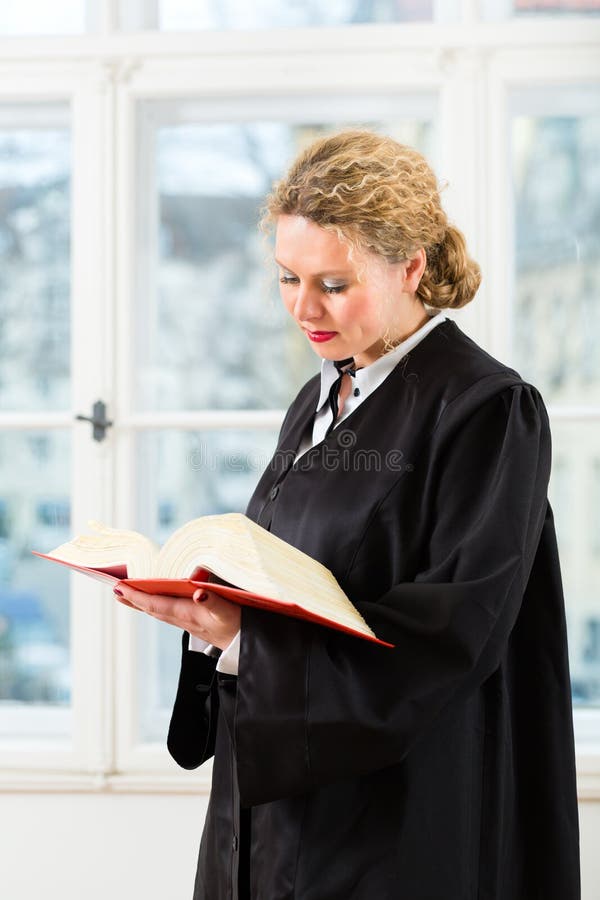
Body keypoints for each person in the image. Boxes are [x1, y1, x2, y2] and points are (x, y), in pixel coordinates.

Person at [114, 130, 581, 899]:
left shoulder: (488, 411)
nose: (303, 308)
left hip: (392, 829)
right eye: (287, 278)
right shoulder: (319, 400)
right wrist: (211, 616)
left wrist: (246, 641)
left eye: (332, 284)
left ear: (412, 267)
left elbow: (451, 634)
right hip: (275, 815)